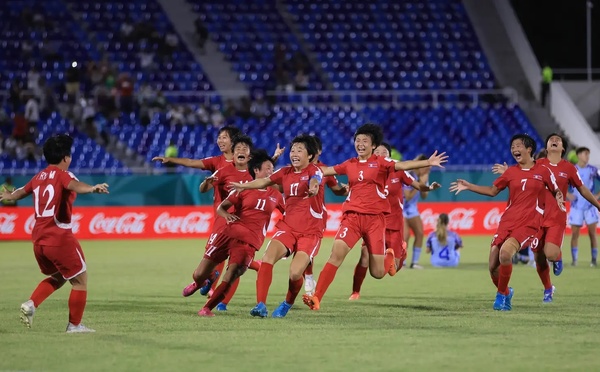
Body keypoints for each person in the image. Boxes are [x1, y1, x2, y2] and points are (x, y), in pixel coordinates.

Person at [302, 124, 447, 311]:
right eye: (358, 140)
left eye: (365, 141)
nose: (360, 144)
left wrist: (427, 163)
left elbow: (403, 165)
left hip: (375, 220)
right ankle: (316, 298)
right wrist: (307, 170)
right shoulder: (349, 163)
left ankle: (391, 256)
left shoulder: (381, 163)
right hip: (352, 218)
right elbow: (324, 171)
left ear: (373, 145)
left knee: (378, 273)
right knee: (336, 254)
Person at [0, 134, 109, 332]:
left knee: (61, 276)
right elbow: (74, 185)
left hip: (39, 240)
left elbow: (19, 193)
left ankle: (31, 304)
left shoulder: (38, 177)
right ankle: (74, 326)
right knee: (80, 280)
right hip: (59, 237)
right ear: (66, 158)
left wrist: (7, 195)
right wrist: (93, 188)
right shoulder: (64, 175)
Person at [450, 134, 563, 311]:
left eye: (518, 146)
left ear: (529, 149)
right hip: (507, 222)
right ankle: (507, 291)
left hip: (528, 224)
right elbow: (493, 190)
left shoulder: (543, 171)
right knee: (493, 266)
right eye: (512, 147)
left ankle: (501, 296)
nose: (514, 149)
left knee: (505, 253)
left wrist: (559, 197)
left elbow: (556, 189)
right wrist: (469, 186)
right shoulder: (511, 172)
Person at [493, 135, 600, 303]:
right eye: (551, 139)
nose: (554, 140)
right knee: (538, 257)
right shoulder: (539, 164)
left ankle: (557, 256)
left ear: (563, 148)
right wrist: (508, 173)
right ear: (547, 146)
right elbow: (522, 173)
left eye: (558, 139)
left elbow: (582, 189)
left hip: (556, 217)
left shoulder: (569, 168)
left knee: (550, 253)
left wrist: (598, 204)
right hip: (536, 217)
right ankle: (548, 288)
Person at [229, 135, 323, 318]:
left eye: (299, 150)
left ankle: (287, 303)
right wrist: (244, 186)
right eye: (293, 149)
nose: (294, 153)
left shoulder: (315, 170)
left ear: (310, 156)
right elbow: (264, 181)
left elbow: (315, 180)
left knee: (296, 274)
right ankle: (261, 305)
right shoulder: (285, 172)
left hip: (310, 232)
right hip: (288, 227)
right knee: (267, 258)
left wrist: (313, 187)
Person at [182, 150, 284, 317]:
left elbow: (288, 213)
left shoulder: (276, 194)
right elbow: (221, 207)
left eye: (272, 169)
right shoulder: (242, 189)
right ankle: (201, 282)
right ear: (256, 171)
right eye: (268, 169)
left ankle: (207, 308)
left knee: (231, 275)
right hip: (228, 234)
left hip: (249, 242)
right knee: (199, 274)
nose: (271, 173)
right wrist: (226, 215)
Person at [349, 142, 436, 300]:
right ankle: (355, 291)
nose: (381, 154)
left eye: (384, 152)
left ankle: (401, 252)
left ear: (389, 155)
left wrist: (428, 187)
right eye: (378, 151)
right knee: (364, 256)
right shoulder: (367, 171)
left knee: (393, 268)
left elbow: (417, 185)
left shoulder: (398, 170)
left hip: (394, 223)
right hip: (374, 223)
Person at [188, 134, 258, 308]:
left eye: (244, 149)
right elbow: (203, 189)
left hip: (243, 226)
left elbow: (270, 181)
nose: (241, 151)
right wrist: (206, 183)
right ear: (232, 155)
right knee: (202, 271)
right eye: (237, 149)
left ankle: (221, 303)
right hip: (223, 224)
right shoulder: (224, 171)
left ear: (250, 155)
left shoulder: (254, 174)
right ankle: (204, 279)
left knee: (235, 267)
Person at [303, 135, 349, 296]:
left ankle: (308, 276)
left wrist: (347, 189)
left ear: (319, 151)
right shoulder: (295, 168)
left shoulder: (325, 170)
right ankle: (306, 276)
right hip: (296, 214)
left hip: (316, 216)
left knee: (307, 247)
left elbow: (337, 190)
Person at [567, 146, 600, 267]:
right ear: (579, 155)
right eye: (585, 154)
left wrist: (597, 195)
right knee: (575, 234)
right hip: (576, 206)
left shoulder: (593, 170)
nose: (587, 157)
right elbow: (560, 183)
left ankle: (594, 260)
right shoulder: (572, 170)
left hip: (590, 206)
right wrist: (567, 194)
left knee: (592, 234)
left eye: (588, 154)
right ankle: (574, 261)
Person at [403, 154, 431, 269]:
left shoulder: (424, 177)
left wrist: (424, 184)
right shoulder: (408, 176)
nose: (427, 169)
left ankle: (415, 262)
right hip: (401, 208)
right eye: (425, 166)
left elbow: (424, 196)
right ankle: (402, 262)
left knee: (419, 233)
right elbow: (408, 196)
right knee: (405, 236)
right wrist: (419, 183)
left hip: (413, 209)